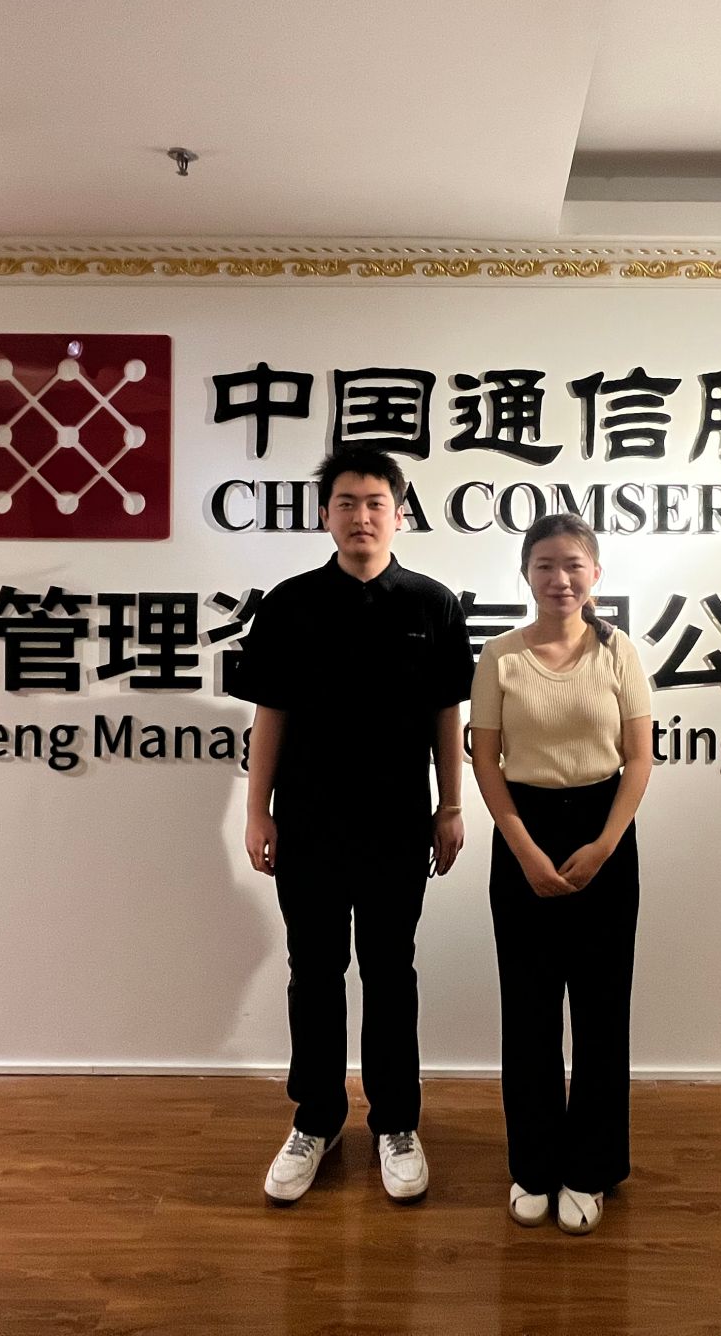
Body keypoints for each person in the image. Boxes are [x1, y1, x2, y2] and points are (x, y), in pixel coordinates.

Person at [231, 446, 473, 1206]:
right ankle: (317, 1120)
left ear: (399, 513)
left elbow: (447, 715)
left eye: (375, 503)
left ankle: (396, 1122)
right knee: (314, 970)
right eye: (346, 503)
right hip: (308, 821)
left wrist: (451, 804)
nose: (361, 516)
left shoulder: (432, 605)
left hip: (398, 823)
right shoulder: (290, 603)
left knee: (391, 972)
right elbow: (270, 712)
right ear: (325, 514)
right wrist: (257, 809)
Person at [470, 512, 652, 1235]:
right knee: (530, 1010)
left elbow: (638, 758)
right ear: (526, 574)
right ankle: (534, 1165)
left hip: (605, 832)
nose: (560, 579)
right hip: (524, 830)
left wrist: (605, 843)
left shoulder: (619, 652)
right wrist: (523, 848)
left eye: (574, 565)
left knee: (603, 1011)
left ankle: (591, 1167)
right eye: (545, 565)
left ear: (595, 574)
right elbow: (486, 761)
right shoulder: (500, 657)